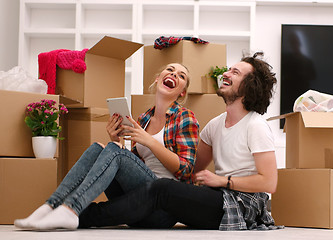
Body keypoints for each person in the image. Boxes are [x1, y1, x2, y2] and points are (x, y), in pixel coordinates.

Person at [76, 52, 282, 231]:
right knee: (160, 188)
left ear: (249, 86)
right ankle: (72, 208)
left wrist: (224, 181)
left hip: (242, 204)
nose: (226, 74)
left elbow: (269, 182)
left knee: (163, 188)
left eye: (235, 73)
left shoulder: (255, 125)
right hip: (218, 195)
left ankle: (82, 215)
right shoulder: (214, 125)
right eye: (229, 70)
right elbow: (189, 170)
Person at [14, 63, 199, 230]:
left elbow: (185, 169)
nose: (174, 74)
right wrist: (116, 140)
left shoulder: (185, 117)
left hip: (163, 208)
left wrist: (148, 140)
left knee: (114, 151)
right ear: (158, 79)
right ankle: (51, 206)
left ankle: (71, 209)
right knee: (99, 147)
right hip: (137, 201)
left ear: (182, 92)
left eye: (181, 76)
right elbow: (135, 164)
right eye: (170, 70)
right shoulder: (144, 119)